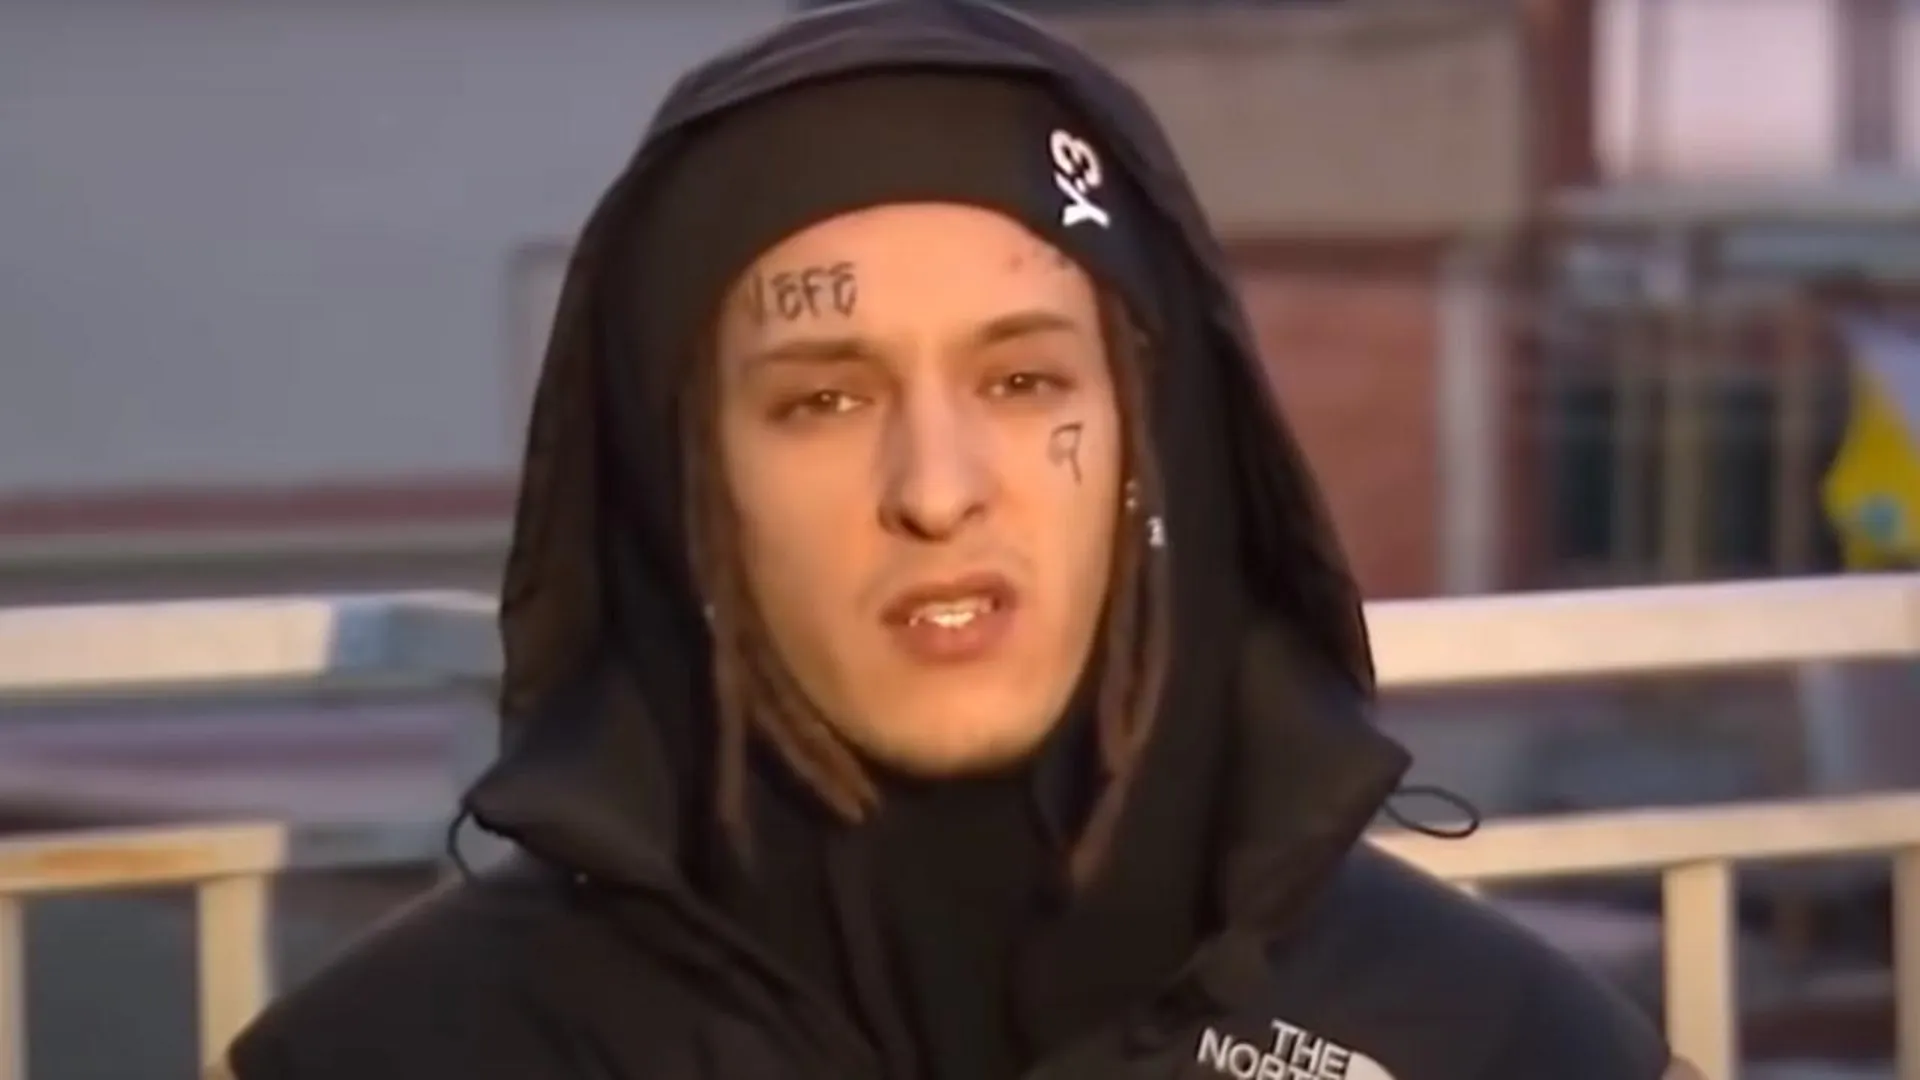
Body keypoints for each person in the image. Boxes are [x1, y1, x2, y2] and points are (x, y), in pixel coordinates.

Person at [223, 2, 1691, 1077]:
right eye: (822, 399)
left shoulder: (1483, 1042)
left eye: (1023, 382)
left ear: (1152, 447)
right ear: (684, 492)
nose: (936, 489)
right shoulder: (405, 1055)